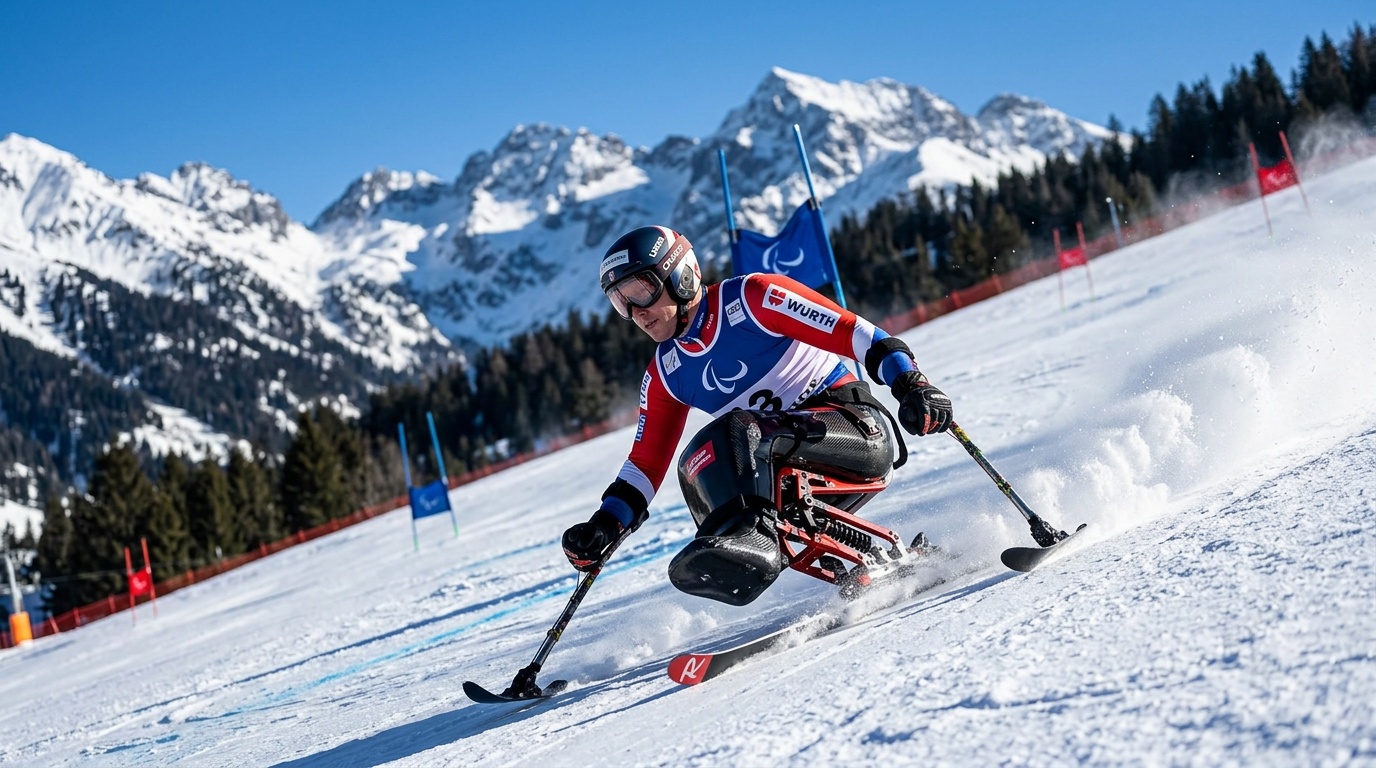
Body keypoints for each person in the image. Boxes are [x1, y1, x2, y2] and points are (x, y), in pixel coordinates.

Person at [562, 225, 954, 605]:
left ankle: (754, 537)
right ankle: (795, 550)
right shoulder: (666, 373)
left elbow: (859, 335)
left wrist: (912, 384)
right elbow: (644, 466)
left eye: (640, 292)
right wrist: (605, 525)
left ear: (680, 275)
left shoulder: (754, 298)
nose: (636, 312)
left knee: (735, 430)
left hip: (857, 432)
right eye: (620, 302)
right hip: (787, 475)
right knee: (696, 463)